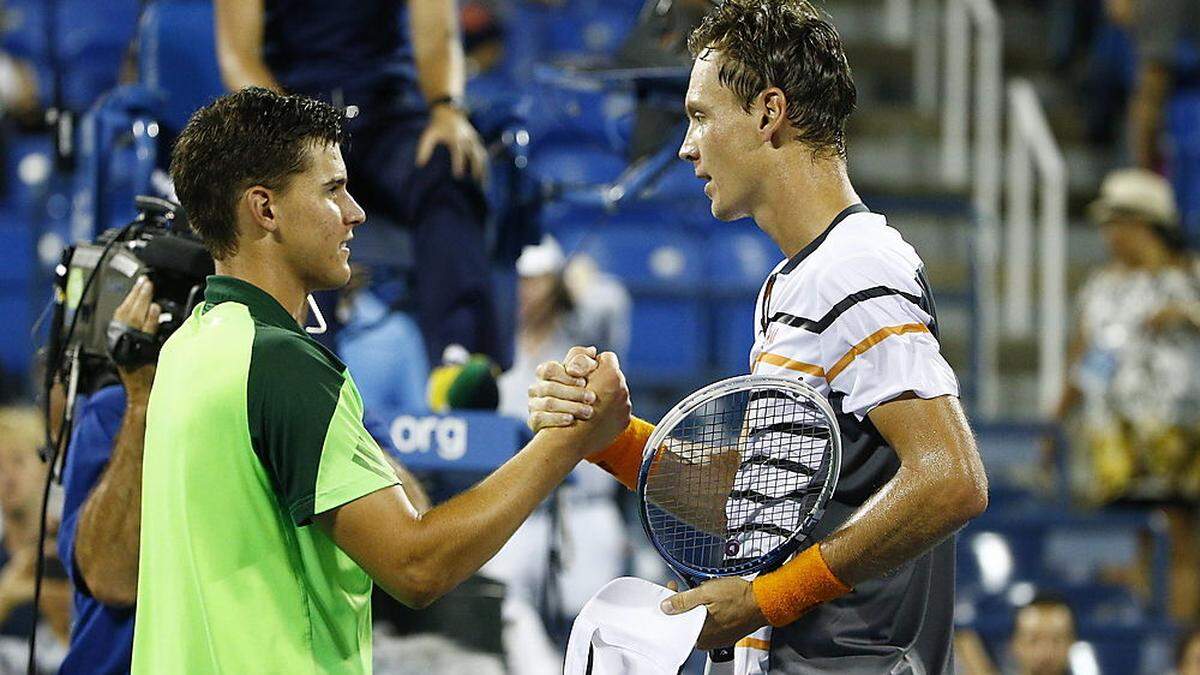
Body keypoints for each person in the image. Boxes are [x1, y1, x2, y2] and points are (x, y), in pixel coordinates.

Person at [527, 1, 990, 672]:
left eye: (700, 116)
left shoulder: (858, 268)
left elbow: (952, 480)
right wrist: (614, 438)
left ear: (769, 112)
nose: (686, 145)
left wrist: (765, 600)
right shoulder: (797, 282)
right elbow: (756, 503)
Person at [130, 87, 630, 673]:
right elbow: (416, 566)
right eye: (332, 190)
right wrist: (568, 440)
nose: (356, 212)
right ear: (265, 210)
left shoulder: (187, 346)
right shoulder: (278, 363)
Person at [214, 0, 507, 368]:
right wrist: (293, 131)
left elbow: (437, 34)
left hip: (388, 117)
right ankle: (302, 364)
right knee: (289, 192)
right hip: (297, 118)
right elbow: (239, 58)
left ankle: (459, 359)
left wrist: (447, 108)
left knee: (449, 162)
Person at [1050, 168, 1200, 620]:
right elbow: (1082, 360)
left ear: (1143, 224)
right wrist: (1055, 421)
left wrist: (1186, 315)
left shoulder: (1191, 277)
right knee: (1140, 533)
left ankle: (1180, 644)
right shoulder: (1101, 287)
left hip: (1181, 435)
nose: (1108, 235)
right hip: (1119, 436)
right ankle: (1152, 633)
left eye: (1115, 224)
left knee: (1179, 535)